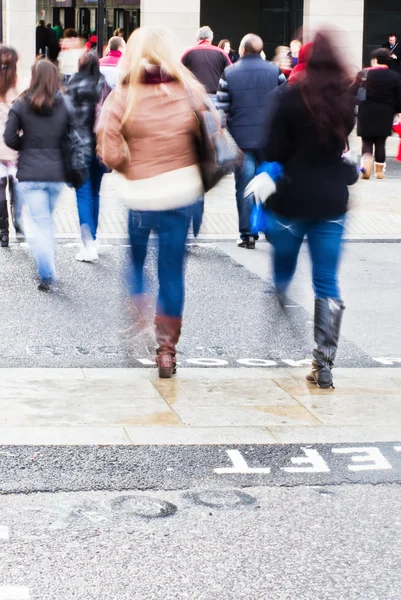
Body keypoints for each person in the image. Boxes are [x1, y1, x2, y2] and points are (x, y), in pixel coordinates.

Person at [97, 25, 214, 378]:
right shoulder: (189, 88)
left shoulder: (124, 94)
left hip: (141, 196)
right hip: (181, 194)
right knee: (172, 272)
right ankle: (166, 351)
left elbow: (107, 148)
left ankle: (139, 308)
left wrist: (131, 166)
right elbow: (214, 131)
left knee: (134, 261)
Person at [259, 31, 358, 389]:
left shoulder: (288, 96)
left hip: (292, 198)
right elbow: (342, 142)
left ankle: (281, 289)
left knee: (285, 255)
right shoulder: (344, 98)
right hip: (332, 200)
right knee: (327, 281)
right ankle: (324, 363)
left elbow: (271, 149)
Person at [4, 59, 69, 291]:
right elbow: (72, 135)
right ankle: (47, 267)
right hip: (57, 172)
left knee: (39, 223)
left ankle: (46, 272)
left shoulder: (21, 103)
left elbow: (9, 137)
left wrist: (26, 143)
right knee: (46, 221)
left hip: (31, 172)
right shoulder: (65, 103)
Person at [217, 33, 279, 249]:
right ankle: (270, 230)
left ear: (241, 50)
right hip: (269, 141)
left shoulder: (229, 73)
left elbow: (221, 109)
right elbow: (284, 104)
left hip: (241, 141)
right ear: (261, 51)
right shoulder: (275, 71)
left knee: (244, 187)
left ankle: (247, 235)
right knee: (269, 185)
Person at [66, 53, 110, 262]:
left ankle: (88, 245)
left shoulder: (71, 84)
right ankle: (94, 237)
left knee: (82, 194)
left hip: (79, 148)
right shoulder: (105, 85)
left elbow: (66, 119)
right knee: (95, 194)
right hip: (101, 147)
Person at [356, 48, 401, 180]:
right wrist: (399, 113)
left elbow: (353, 92)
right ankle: (380, 171)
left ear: (375, 60)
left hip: (366, 111)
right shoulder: (395, 77)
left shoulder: (363, 73)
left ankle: (366, 165)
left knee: (366, 140)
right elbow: (399, 98)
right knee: (381, 141)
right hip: (386, 112)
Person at [0, 47, 25, 247]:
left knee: (0, 188)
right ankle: (18, 221)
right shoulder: (20, 85)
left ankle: (3, 232)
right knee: (16, 186)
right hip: (15, 145)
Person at [181, 26, 231, 95]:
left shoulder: (188, 53)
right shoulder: (221, 53)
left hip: (195, 97)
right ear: (211, 39)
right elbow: (231, 74)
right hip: (216, 96)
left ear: (197, 39)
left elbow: (178, 73)